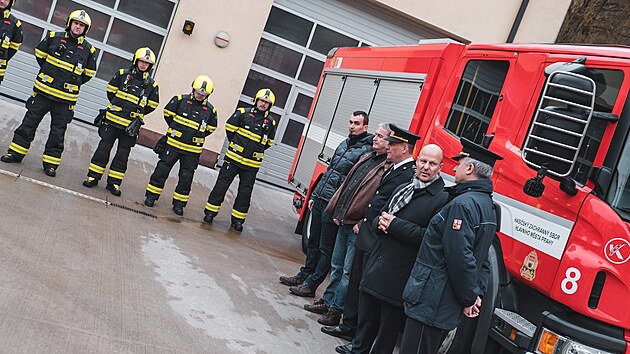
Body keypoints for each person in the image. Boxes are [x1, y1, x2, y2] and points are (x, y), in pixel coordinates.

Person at [399, 135, 503, 354]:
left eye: (459, 164)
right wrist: (476, 295)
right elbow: (482, 259)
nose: (455, 168)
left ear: (470, 168)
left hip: (432, 300)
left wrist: (469, 298)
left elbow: (460, 257)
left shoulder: (462, 204)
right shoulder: (488, 206)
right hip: (441, 303)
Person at [349, 144, 448, 354]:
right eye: (423, 161)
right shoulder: (404, 187)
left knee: (385, 336)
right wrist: (379, 223)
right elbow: (378, 216)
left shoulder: (441, 199)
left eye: (432, 164)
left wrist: (394, 226)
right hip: (376, 268)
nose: (426, 167)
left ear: (441, 167)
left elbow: (429, 238)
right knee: (363, 327)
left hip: (399, 279)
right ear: (416, 160)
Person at [330, 123, 417, 354]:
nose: (388, 146)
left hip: (375, 236)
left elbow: (390, 207)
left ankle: (357, 338)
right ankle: (352, 332)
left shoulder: (407, 174)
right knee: (359, 286)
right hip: (368, 232)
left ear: (405, 148)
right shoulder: (394, 167)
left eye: (394, 144)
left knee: (364, 292)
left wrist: (372, 224)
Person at [303, 123, 392, 327]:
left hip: (357, 226)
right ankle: (327, 301)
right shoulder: (367, 157)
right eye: (376, 135)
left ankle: (336, 310)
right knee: (336, 266)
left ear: (389, 143)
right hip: (344, 219)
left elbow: (377, 199)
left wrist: (363, 220)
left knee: (347, 272)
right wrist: (336, 209)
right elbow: (347, 186)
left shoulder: (385, 168)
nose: (375, 138)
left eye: (379, 136)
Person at [280, 112, 373, 296]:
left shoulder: (366, 151)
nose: (352, 126)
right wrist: (314, 195)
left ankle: (311, 285)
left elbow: (352, 183)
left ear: (365, 127)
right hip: (321, 198)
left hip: (334, 205)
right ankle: (304, 275)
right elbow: (330, 170)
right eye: (350, 122)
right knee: (313, 242)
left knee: (325, 248)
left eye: (357, 123)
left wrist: (339, 207)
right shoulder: (344, 143)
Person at [1, 9, 97, 177]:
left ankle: (50, 164)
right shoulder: (53, 37)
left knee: (57, 132)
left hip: (65, 100)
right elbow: (40, 55)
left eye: (81, 25)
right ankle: (15, 153)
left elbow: (88, 74)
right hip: (43, 92)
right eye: (76, 23)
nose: (77, 27)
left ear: (85, 29)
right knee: (29, 123)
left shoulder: (89, 50)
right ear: (69, 23)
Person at [82, 47, 160, 196]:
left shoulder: (152, 85)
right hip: (111, 121)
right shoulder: (122, 74)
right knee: (103, 149)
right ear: (135, 60)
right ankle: (93, 177)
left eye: (147, 63)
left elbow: (152, 105)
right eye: (142, 61)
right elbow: (111, 91)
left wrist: (137, 114)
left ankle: (114, 183)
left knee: (122, 155)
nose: (143, 65)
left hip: (130, 127)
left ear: (150, 66)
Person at [202, 88, 276, 231]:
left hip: (251, 164)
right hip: (233, 159)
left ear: (270, 105)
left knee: (245, 192)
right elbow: (230, 129)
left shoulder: (271, 122)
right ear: (256, 100)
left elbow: (269, 142)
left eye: (267, 103)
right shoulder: (243, 113)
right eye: (261, 100)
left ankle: (238, 221)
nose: (263, 104)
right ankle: (210, 212)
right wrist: (237, 146)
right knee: (221, 185)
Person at [144, 75, 218, 215]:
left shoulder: (210, 110)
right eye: (198, 93)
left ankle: (179, 205)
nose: (200, 96)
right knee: (162, 170)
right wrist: (177, 130)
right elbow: (168, 114)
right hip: (173, 145)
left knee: (186, 178)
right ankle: (151, 196)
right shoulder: (180, 100)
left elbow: (211, 128)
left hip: (192, 151)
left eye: (203, 94)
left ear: (208, 94)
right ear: (193, 89)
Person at [0, 0, 23, 85]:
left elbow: (13, 49)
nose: (2, 1)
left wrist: (3, 57)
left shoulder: (15, 24)